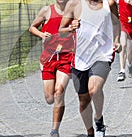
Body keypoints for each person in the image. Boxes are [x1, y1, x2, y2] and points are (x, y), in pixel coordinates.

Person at [59, 0, 121, 136]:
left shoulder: (109, 3)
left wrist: (116, 40)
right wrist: (70, 28)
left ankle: (98, 120)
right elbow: (61, 31)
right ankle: (90, 131)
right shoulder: (74, 4)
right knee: (83, 100)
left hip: (102, 54)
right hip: (80, 57)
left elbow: (116, 23)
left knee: (94, 89)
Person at [29, 0, 75, 136]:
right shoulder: (46, 11)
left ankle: (55, 130)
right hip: (48, 58)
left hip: (66, 57)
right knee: (49, 98)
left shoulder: (74, 11)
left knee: (59, 92)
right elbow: (32, 27)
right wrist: (41, 34)